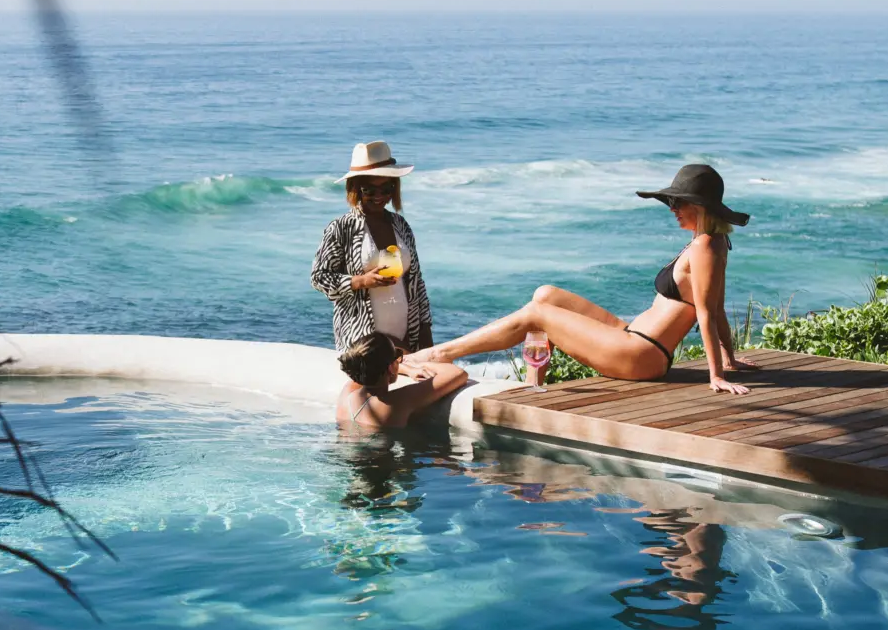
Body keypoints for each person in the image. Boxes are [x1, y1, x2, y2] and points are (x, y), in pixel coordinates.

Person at [405, 164, 759, 395]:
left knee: (536, 314)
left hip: (642, 355)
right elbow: (716, 306)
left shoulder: (706, 247)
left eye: (678, 203)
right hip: (632, 338)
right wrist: (728, 357)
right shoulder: (706, 243)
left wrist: (717, 375)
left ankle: (438, 353)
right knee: (547, 295)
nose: (672, 209)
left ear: (699, 206)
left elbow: (708, 313)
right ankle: (534, 384)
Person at [311, 141, 434, 353]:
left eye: (386, 188)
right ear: (355, 189)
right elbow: (319, 277)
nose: (379, 196)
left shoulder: (400, 225)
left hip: (407, 336)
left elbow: (417, 282)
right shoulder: (342, 228)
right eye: (370, 189)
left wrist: (425, 330)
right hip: (362, 339)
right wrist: (359, 281)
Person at [335, 332, 469, 430]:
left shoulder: (346, 394)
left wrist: (407, 369)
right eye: (399, 358)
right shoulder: (396, 402)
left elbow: (370, 365)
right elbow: (457, 373)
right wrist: (419, 365)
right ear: (392, 367)